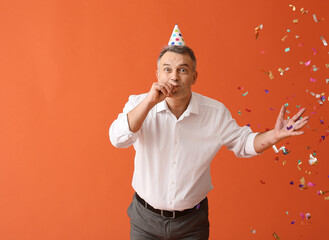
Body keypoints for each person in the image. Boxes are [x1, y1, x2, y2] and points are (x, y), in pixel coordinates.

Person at [109, 25, 309, 240]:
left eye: (182, 70)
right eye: (167, 70)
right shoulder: (139, 104)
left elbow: (243, 144)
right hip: (145, 220)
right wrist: (149, 102)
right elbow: (117, 139)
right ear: (157, 74)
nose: (174, 77)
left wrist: (275, 135)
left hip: (192, 224)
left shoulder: (214, 113)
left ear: (194, 77)